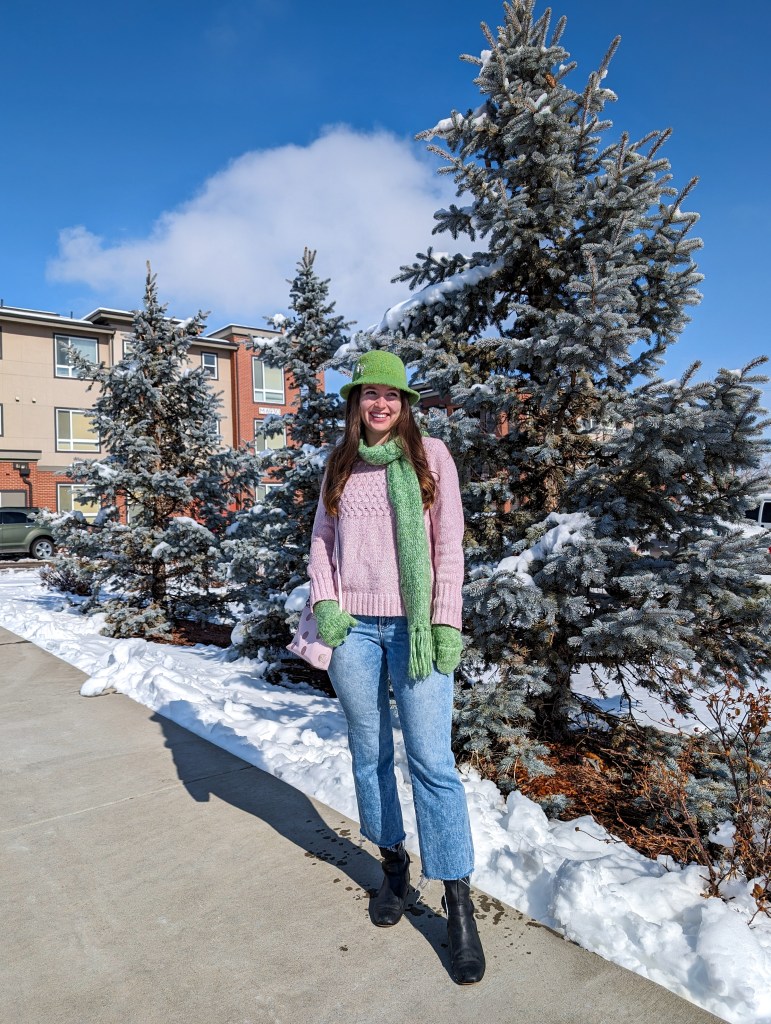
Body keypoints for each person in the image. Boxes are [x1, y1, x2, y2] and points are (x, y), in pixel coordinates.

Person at [308, 350, 485, 985]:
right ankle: (393, 869)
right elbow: (322, 541)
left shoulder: (431, 457)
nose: (379, 404)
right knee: (368, 753)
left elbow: (448, 545)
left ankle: (457, 903)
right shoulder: (341, 462)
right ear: (354, 401)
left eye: (391, 395)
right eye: (368, 394)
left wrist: (443, 622)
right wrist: (327, 602)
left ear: (404, 402)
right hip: (354, 629)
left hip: (415, 629)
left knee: (434, 762)